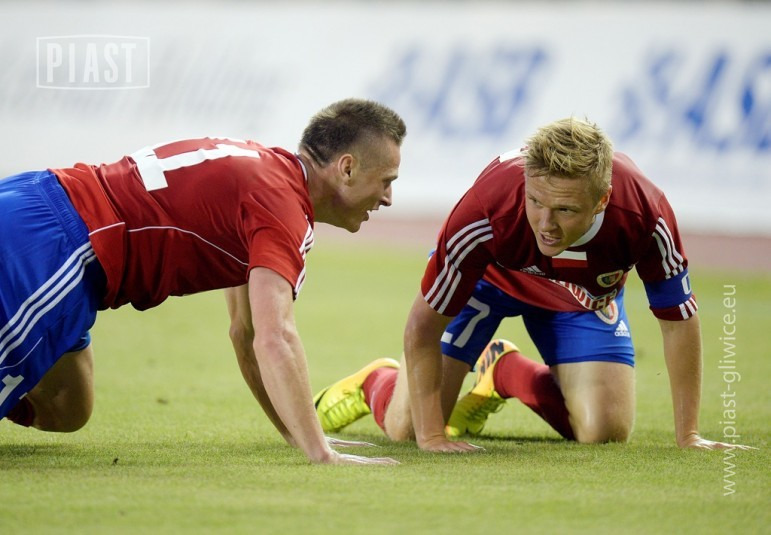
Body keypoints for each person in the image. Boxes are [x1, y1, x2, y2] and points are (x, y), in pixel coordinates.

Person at [0, 98, 406, 465]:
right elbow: (276, 338)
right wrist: (322, 454)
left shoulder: (268, 175)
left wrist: (298, 435)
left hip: (47, 213)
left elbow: (246, 333)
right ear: (347, 168)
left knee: (67, 406)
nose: (387, 197)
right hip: (54, 249)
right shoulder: (282, 208)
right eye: (386, 180)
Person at [314, 117, 754, 453]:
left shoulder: (644, 213)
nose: (545, 223)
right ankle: (375, 382)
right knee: (407, 428)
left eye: (565, 210)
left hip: (578, 296)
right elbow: (422, 326)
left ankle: (505, 371)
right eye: (536, 201)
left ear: (602, 199)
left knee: (604, 431)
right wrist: (431, 436)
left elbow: (678, 319)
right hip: (488, 280)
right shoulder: (486, 207)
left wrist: (689, 435)